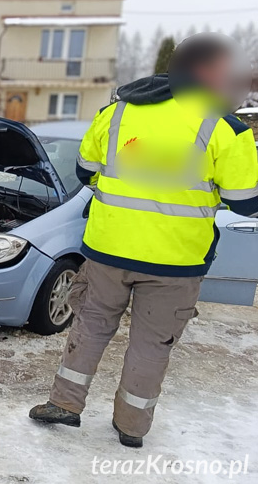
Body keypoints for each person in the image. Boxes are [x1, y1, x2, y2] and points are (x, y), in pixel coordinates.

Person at [29, 33, 258, 448]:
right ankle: (131, 427)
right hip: (174, 262)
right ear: (207, 71)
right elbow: (246, 203)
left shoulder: (117, 113)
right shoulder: (226, 128)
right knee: (152, 344)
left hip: (108, 250)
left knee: (91, 325)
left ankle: (64, 403)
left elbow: (84, 171)